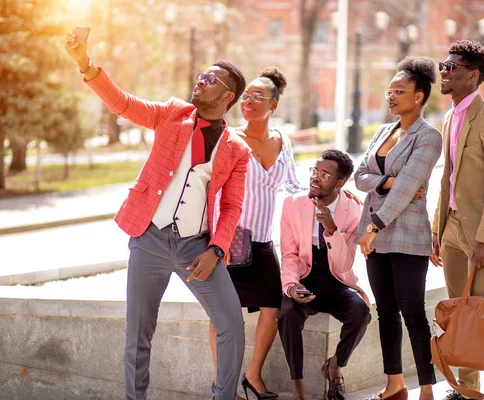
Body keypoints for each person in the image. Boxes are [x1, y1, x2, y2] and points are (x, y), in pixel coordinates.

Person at [64, 31, 250, 400]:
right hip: (148, 238)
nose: (200, 80)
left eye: (210, 79)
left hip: (196, 248)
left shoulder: (237, 149)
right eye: (201, 75)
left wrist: (216, 250)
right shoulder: (171, 114)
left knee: (231, 322)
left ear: (227, 96)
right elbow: (123, 104)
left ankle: (224, 397)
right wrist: (85, 64)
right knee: (138, 333)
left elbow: (231, 207)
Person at [207, 67, 304, 400]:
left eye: (256, 96)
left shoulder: (282, 140)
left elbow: (293, 184)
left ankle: (252, 374)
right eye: (245, 96)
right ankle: (224, 385)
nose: (247, 101)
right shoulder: (229, 137)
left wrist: (329, 194)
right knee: (222, 312)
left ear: (273, 105)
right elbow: (214, 187)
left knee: (272, 307)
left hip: (262, 242)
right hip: (229, 242)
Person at [430, 40, 484, 400]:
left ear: (473, 75)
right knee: (461, 318)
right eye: (443, 66)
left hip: (482, 234)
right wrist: (438, 231)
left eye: (451, 67)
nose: (444, 73)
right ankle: (467, 391)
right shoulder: (451, 116)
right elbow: (448, 178)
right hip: (451, 229)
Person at [355, 56, 442, 400]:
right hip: (375, 238)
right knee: (386, 312)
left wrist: (373, 226)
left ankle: (426, 389)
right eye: (389, 91)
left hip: (405, 237)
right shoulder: (383, 131)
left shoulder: (429, 136)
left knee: (412, 313)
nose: (391, 97)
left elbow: (410, 188)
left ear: (419, 96)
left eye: (399, 91)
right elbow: (359, 177)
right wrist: (388, 180)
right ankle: (394, 384)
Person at [278, 150, 371, 400]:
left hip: (335, 282)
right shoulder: (293, 204)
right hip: (303, 279)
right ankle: (298, 387)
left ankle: (335, 366)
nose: (315, 178)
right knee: (286, 314)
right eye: (314, 171)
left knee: (361, 313)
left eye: (324, 174)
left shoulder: (354, 211)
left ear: (340, 182)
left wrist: (331, 229)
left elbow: (344, 265)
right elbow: (289, 254)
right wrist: (290, 286)